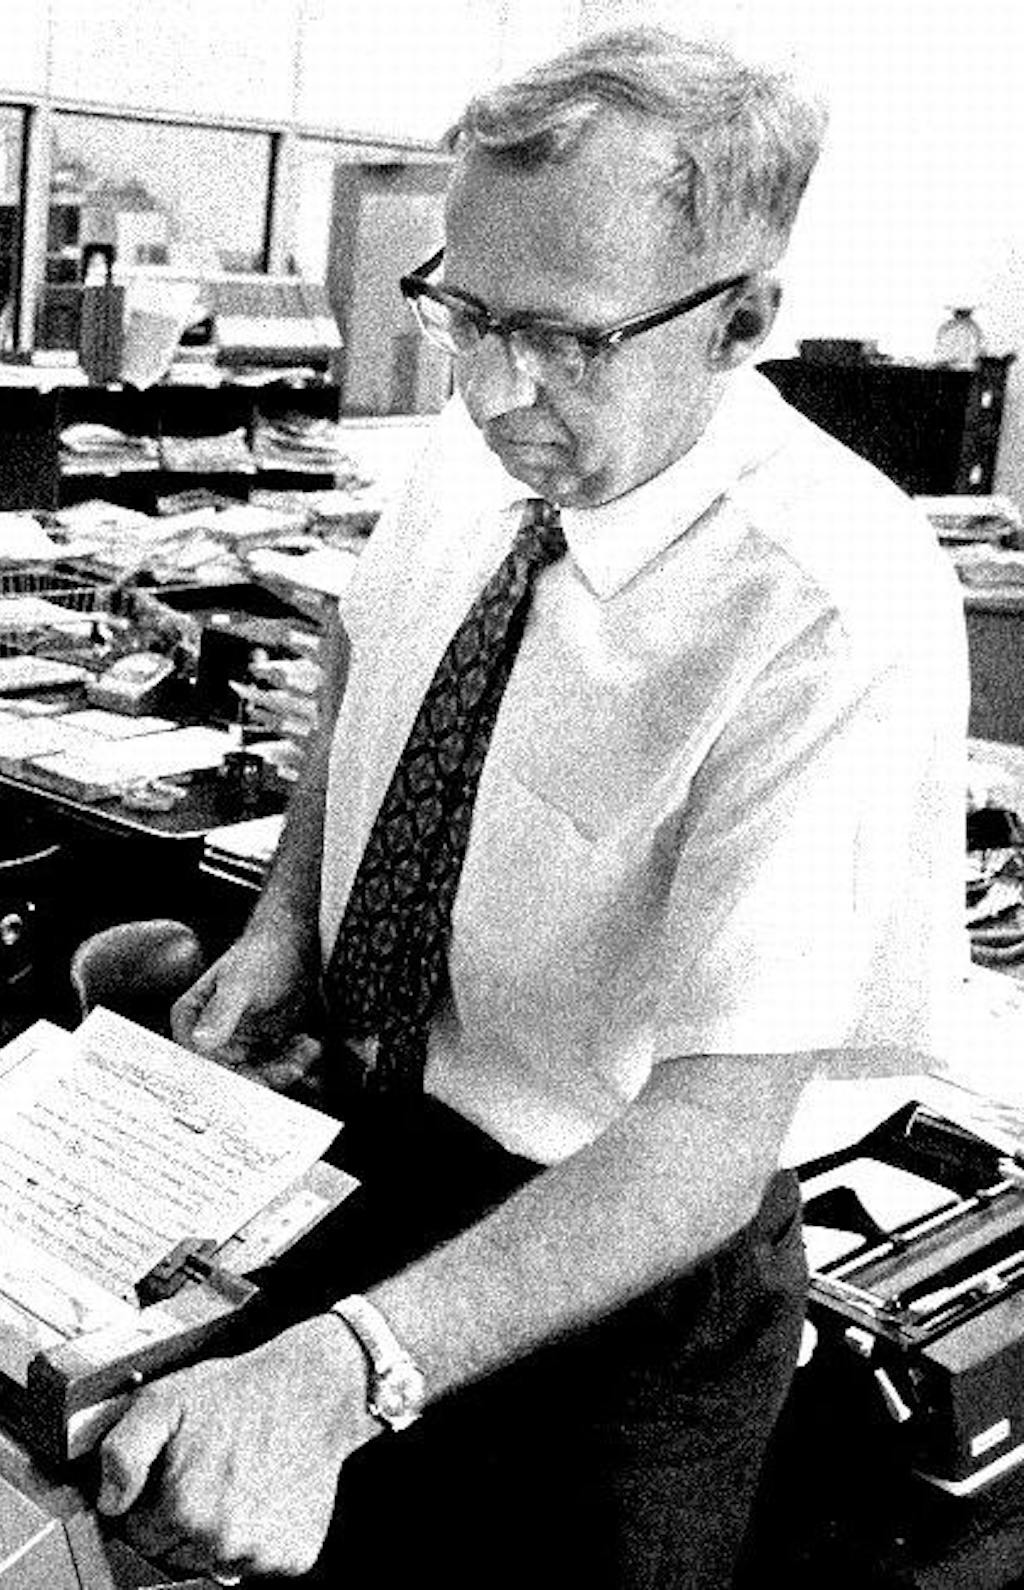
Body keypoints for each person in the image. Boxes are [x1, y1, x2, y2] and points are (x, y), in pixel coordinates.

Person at [97, 27, 966, 1589]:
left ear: (741, 320)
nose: (498, 390)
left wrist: (347, 1369)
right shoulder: (488, 438)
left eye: (565, 337)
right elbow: (366, 651)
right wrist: (287, 923)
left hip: (626, 1270)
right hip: (376, 1150)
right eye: (469, 313)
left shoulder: (834, 603)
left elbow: (707, 1141)